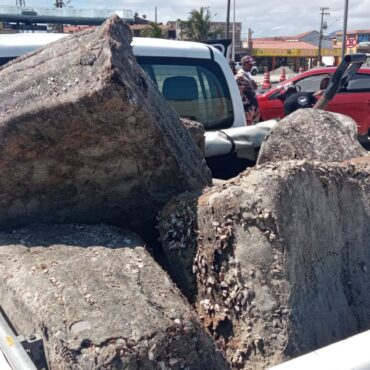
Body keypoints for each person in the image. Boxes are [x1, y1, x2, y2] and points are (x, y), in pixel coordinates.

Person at [235, 55, 260, 125]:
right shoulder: (240, 77)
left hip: (251, 110)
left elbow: (255, 87)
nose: (251, 66)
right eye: (250, 64)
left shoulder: (247, 74)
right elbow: (249, 93)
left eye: (252, 64)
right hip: (247, 110)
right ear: (244, 64)